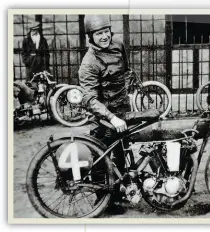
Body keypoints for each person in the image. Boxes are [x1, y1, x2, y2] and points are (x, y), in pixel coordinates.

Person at [78, 15, 134, 212]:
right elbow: (89, 99)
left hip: (123, 112)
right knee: (102, 161)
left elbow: (125, 71)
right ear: (90, 37)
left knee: (122, 155)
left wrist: (125, 104)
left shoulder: (118, 46)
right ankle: (104, 203)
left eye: (106, 32)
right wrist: (111, 117)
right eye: (99, 33)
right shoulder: (89, 63)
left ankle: (120, 193)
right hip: (103, 118)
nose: (104, 37)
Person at [14, 21, 50, 110]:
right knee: (31, 85)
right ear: (30, 30)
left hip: (42, 65)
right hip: (31, 66)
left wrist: (45, 64)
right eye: (33, 29)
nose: (35, 31)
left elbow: (46, 53)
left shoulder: (43, 39)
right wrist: (27, 61)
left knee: (43, 84)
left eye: (36, 29)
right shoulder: (26, 40)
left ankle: (45, 105)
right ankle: (32, 105)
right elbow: (23, 53)